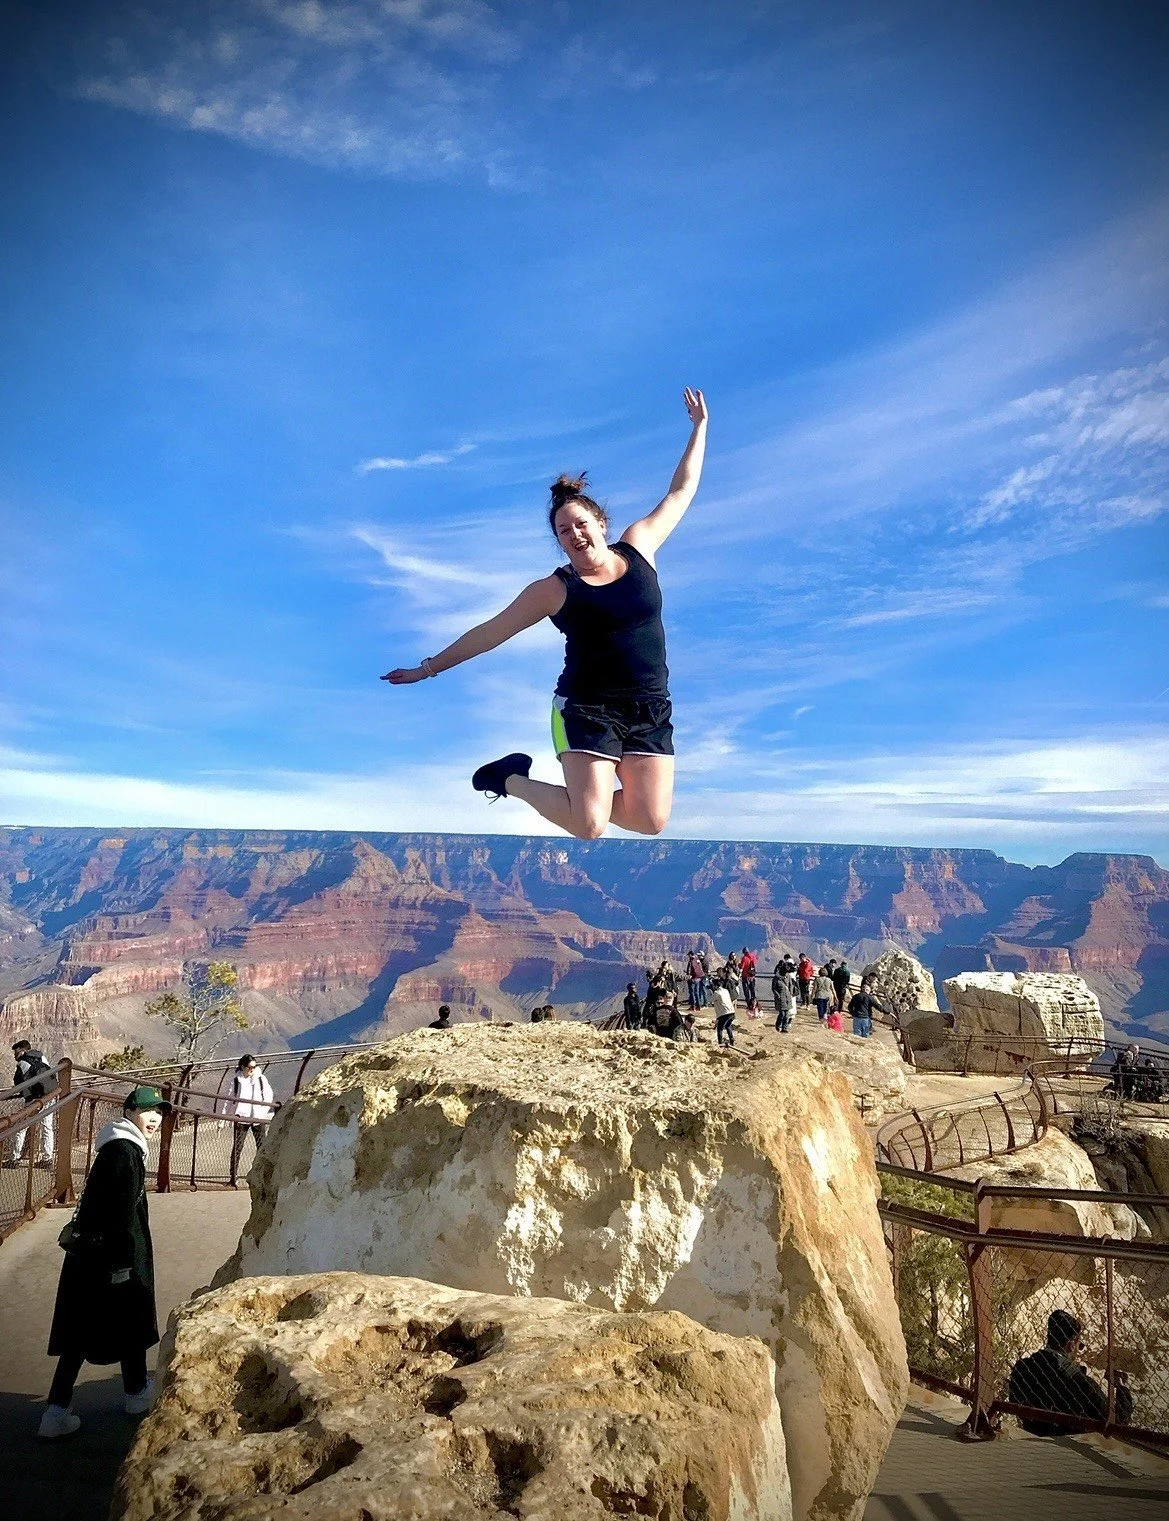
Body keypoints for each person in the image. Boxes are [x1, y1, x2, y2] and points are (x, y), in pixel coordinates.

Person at [383, 391, 708, 841]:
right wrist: (429, 668)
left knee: (650, 820)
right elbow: (490, 633)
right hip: (586, 706)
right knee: (589, 825)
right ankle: (509, 780)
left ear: (600, 525)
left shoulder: (640, 547)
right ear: (559, 542)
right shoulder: (553, 590)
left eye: (581, 524)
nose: (574, 534)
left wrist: (698, 429)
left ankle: (527, 783)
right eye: (563, 531)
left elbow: (680, 491)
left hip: (650, 705)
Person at [40, 1084, 172, 1439]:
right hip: (112, 1260)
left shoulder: (116, 1148)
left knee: (90, 1332)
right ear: (130, 1112)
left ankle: (67, 1408)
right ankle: (123, 1396)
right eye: (148, 1111)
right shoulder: (125, 1153)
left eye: (160, 1113)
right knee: (119, 1322)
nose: (155, 1119)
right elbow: (121, 1215)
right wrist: (122, 1265)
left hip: (92, 1259)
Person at [1008, 1309, 1131, 1435]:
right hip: (1066, 1447)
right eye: (1079, 1345)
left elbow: (1015, 1401)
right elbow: (1117, 1422)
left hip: (1031, 1436)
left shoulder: (1023, 1367)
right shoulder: (1080, 1383)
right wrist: (1121, 1388)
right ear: (1071, 1345)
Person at [228, 1056, 275, 1188]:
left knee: (262, 1147)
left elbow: (268, 1096)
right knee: (237, 1147)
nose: (252, 1070)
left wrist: (262, 1112)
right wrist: (226, 1117)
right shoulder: (236, 1081)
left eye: (254, 1067)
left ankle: (264, 1175)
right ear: (243, 1067)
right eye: (249, 1067)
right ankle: (233, 1177)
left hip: (257, 1118)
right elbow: (229, 1098)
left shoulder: (260, 1079)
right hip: (241, 1118)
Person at [9, 1039, 57, 1166]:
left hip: (34, 1100)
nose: (15, 1055)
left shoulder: (23, 1064)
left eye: (16, 1052)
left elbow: (18, 1083)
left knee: (20, 1127)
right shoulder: (41, 1057)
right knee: (47, 1127)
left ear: (22, 1051)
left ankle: (14, 1158)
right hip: (49, 1096)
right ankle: (47, 1158)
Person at [711, 978, 736, 1047]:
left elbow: (710, 999)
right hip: (731, 1011)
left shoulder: (716, 993)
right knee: (728, 1026)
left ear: (715, 985)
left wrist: (711, 991)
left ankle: (720, 1043)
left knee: (720, 1029)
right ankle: (731, 1039)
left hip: (724, 1013)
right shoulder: (726, 990)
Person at [772, 963, 796, 1032]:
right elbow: (774, 988)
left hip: (787, 996)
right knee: (782, 1013)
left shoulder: (788, 976)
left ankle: (784, 1027)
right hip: (780, 997)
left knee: (787, 1014)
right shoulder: (776, 978)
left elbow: (790, 985)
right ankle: (778, 1024)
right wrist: (778, 995)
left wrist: (790, 993)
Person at [740, 947, 759, 1016]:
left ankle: (749, 1004)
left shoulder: (744, 958)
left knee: (746, 991)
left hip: (746, 977)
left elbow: (741, 967)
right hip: (752, 977)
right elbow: (755, 963)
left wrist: (740, 966)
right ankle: (754, 1003)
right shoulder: (753, 956)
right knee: (752, 990)